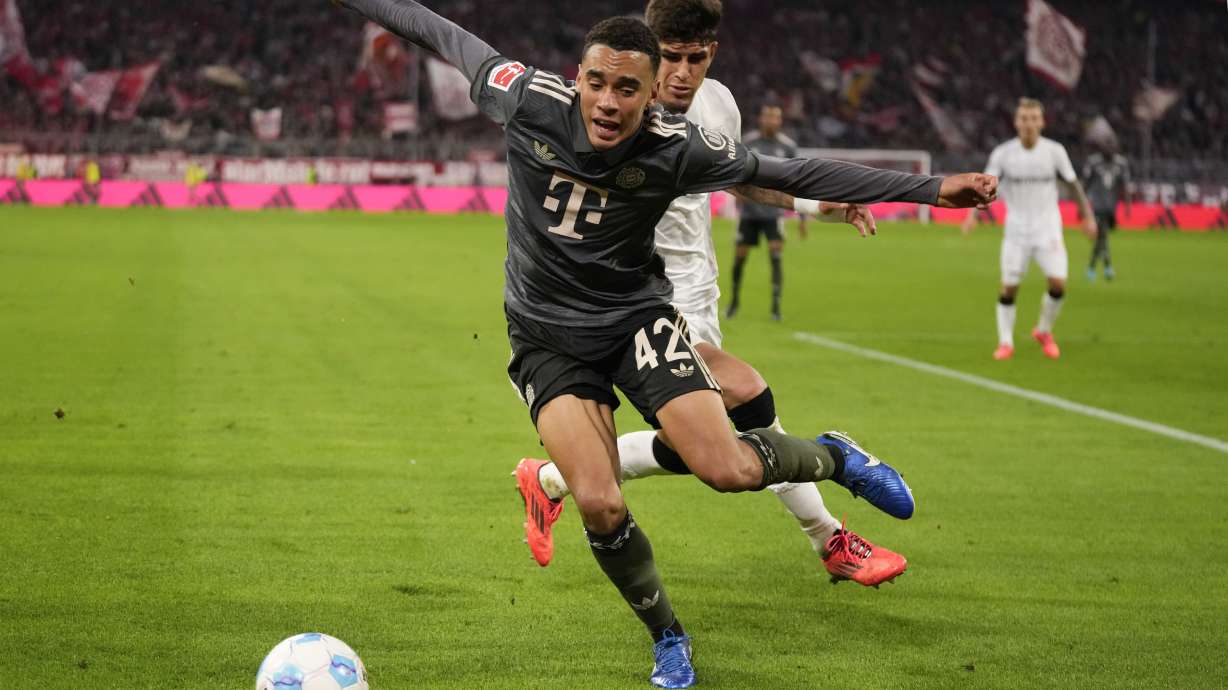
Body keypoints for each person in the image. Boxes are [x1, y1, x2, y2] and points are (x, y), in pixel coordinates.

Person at [333, 2, 996, 686]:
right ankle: (668, 637)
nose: (608, 102)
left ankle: (835, 457)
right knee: (600, 502)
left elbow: (792, 173)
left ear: (652, 96)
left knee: (729, 469)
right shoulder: (525, 96)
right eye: (597, 82)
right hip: (547, 339)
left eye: (627, 89)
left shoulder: (679, 145)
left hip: (634, 322)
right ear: (578, 77)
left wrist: (933, 191)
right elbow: (436, 30)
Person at [519, 0, 906, 594]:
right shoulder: (612, 104)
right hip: (635, 296)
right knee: (747, 402)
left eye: (694, 59)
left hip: (695, 290)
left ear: (711, 55)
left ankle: (550, 480)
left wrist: (812, 204)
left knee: (696, 447)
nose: (681, 73)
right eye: (669, 57)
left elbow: (741, 175)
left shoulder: (719, 103)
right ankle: (829, 535)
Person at [962, 98, 1095, 361]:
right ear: (1016, 122)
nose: (1029, 124)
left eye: (1034, 118)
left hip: (1048, 229)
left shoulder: (1054, 151)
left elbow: (1073, 184)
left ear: (1042, 122)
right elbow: (984, 187)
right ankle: (1005, 342)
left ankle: (1044, 331)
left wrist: (1087, 216)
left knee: (1058, 284)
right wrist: (972, 215)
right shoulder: (1003, 154)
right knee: (1009, 288)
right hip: (1016, 231)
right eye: (1024, 118)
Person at [727, 103, 799, 321]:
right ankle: (734, 302)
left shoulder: (788, 147)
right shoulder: (748, 142)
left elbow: (796, 182)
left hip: (773, 214)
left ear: (780, 121)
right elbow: (736, 174)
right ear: (761, 119)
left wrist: (802, 215)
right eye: (767, 116)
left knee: (776, 257)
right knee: (740, 259)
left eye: (775, 117)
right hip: (749, 213)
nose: (771, 121)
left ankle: (776, 306)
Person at [1082, 145, 1130, 281]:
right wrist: (1082, 206)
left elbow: (1124, 186)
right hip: (1098, 205)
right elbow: (1086, 184)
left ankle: (1096, 268)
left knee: (1102, 237)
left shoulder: (1120, 164)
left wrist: (1127, 205)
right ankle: (1100, 268)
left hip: (1111, 207)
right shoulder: (1094, 162)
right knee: (1102, 235)